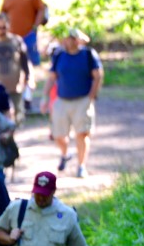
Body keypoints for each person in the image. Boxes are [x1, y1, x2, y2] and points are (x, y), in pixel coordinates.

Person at [42, 27, 103, 179]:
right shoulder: (59, 56)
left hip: (82, 100)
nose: (67, 41)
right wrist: (45, 97)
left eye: (71, 38)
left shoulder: (88, 55)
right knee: (58, 135)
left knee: (82, 134)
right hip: (62, 100)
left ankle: (81, 166)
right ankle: (65, 153)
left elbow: (98, 75)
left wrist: (91, 96)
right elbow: (51, 77)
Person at [0, 14, 31, 125]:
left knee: (17, 118)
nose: (2, 30)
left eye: (4, 27)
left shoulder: (17, 41)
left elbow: (25, 62)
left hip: (15, 87)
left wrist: (27, 78)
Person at [1, 0, 45, 68]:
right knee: (16, 61)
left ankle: (36, 79)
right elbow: (3, 14)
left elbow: (41, 9)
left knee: (32, 59)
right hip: (13, 35)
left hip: (29, 33)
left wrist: (35, 26)